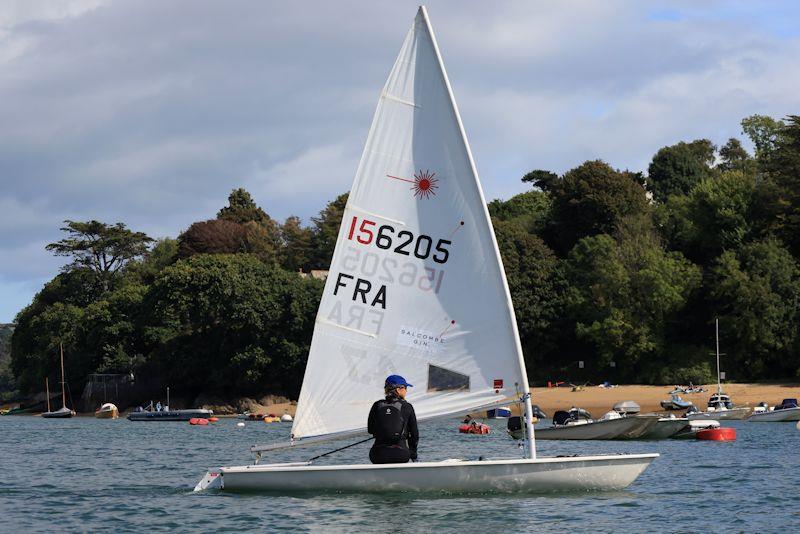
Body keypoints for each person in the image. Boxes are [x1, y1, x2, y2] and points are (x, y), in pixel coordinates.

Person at [367, 375, 419, 464]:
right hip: (401, 454)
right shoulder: (407, 406)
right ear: (398, 390)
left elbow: (370, 430)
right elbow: (414, 435)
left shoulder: (377, 405)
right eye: (405, 388)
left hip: (377, 455)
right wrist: (413, 456)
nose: (406, 390)